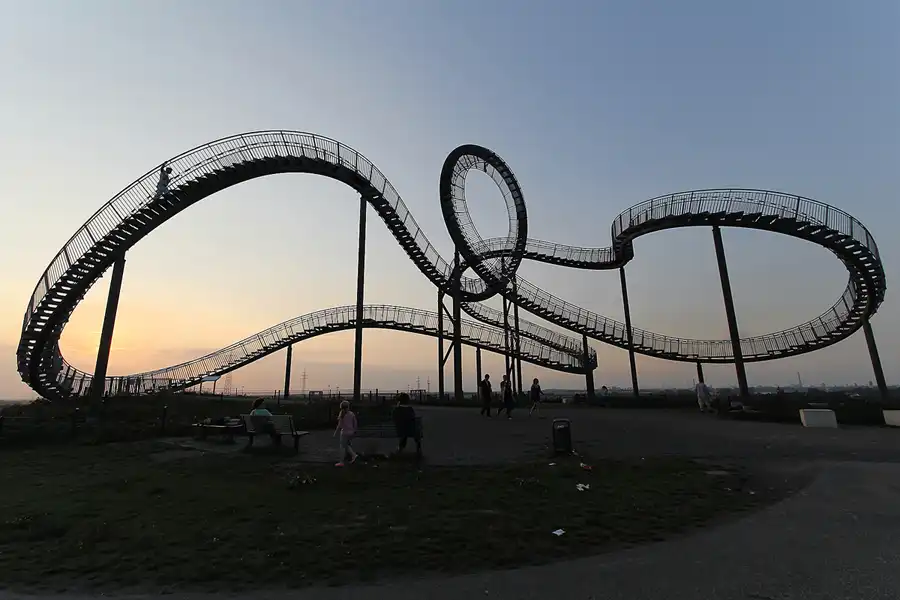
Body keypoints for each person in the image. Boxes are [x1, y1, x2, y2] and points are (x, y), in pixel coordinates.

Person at [392, 393, 421, 457]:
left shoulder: (396, 410)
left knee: (403, 433)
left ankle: (400, 447)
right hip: (411, 431)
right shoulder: (410, 409)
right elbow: (413, 417)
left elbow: (394, 418)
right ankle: (418, 447)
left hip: (400, 430)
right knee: (414, 430)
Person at [333, 400, 358, 466]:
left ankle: (343, 461)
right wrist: (355, 430)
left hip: (344, 433)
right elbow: (355, 423)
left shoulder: (342, 414)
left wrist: (335, 432)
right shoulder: (352, 414)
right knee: (347, 445)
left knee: (343, 447)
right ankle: (352, 456)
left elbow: (339, 425)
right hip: (351, 432)